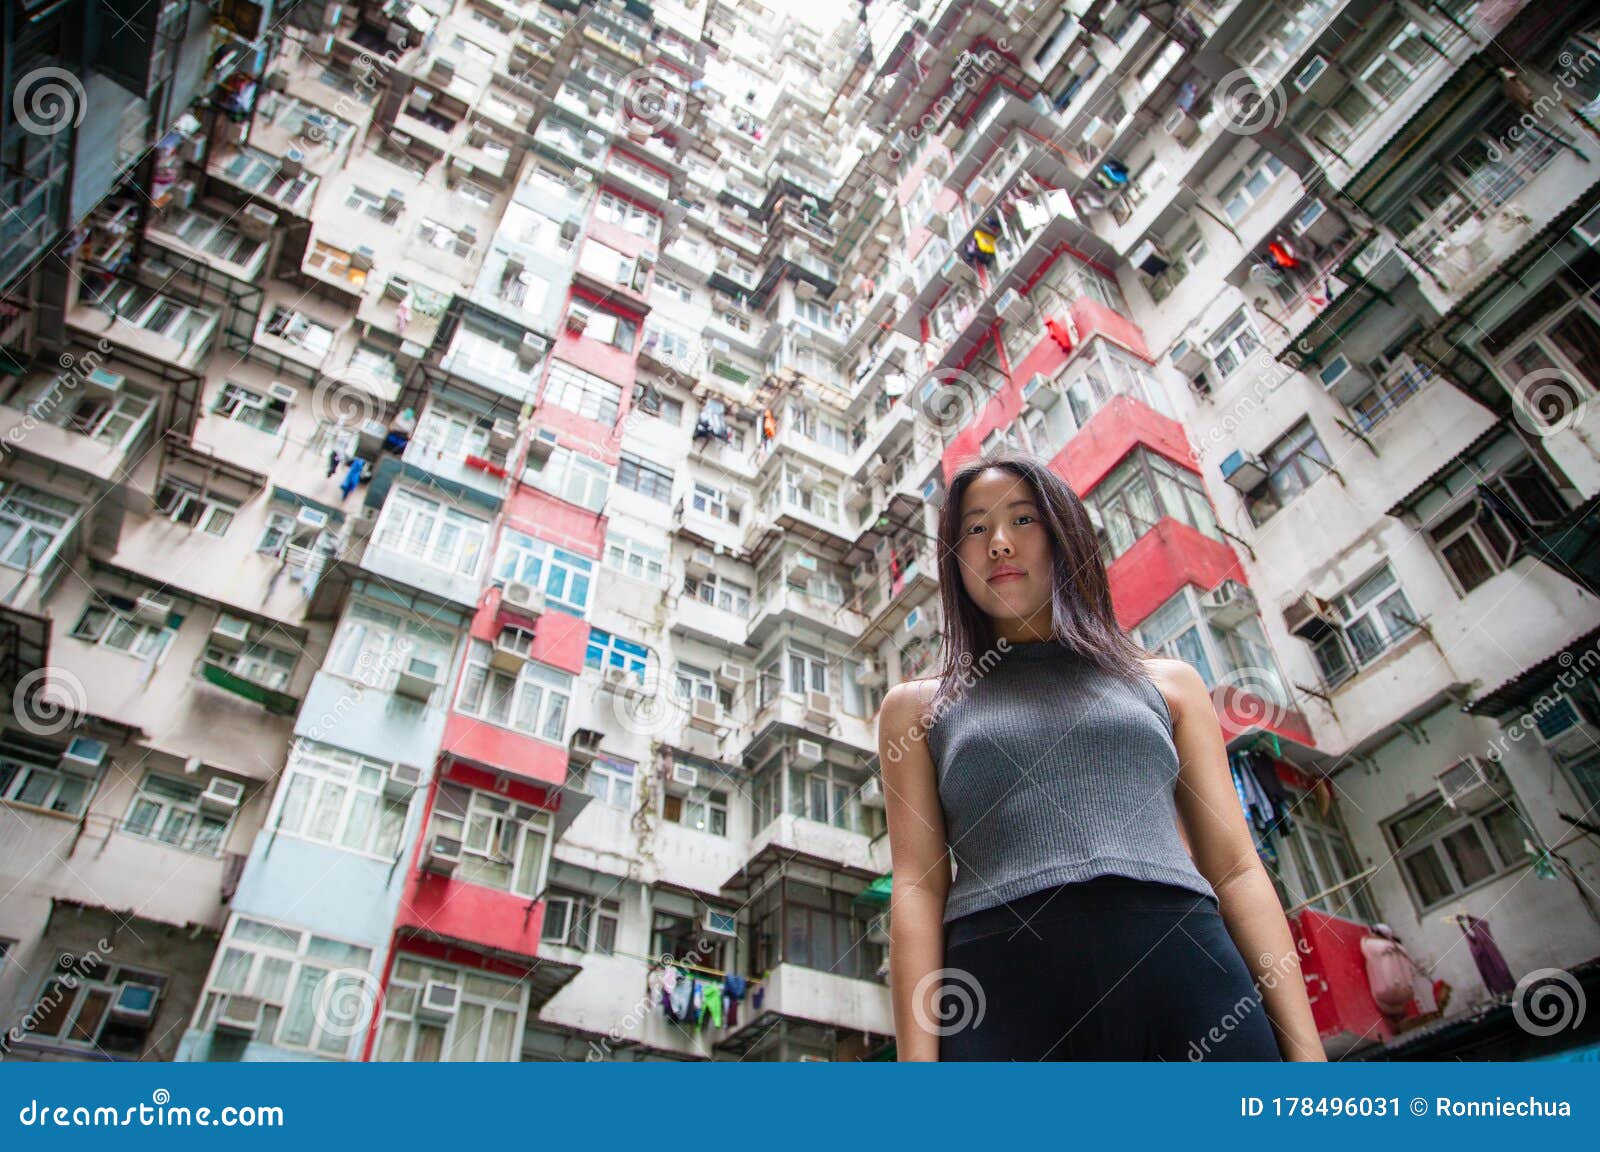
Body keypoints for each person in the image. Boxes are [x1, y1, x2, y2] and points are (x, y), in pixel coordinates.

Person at [877, 451, 1325, 1061]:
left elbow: (1237, 868)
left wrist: (1305, 1052)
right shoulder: (916, 709)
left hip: (1187, 972)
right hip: (1002, 992)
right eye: (975, 530)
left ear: (1065, 535)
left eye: (1024, 520)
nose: (999, 544)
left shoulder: (1169, 684)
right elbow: (918, 889)